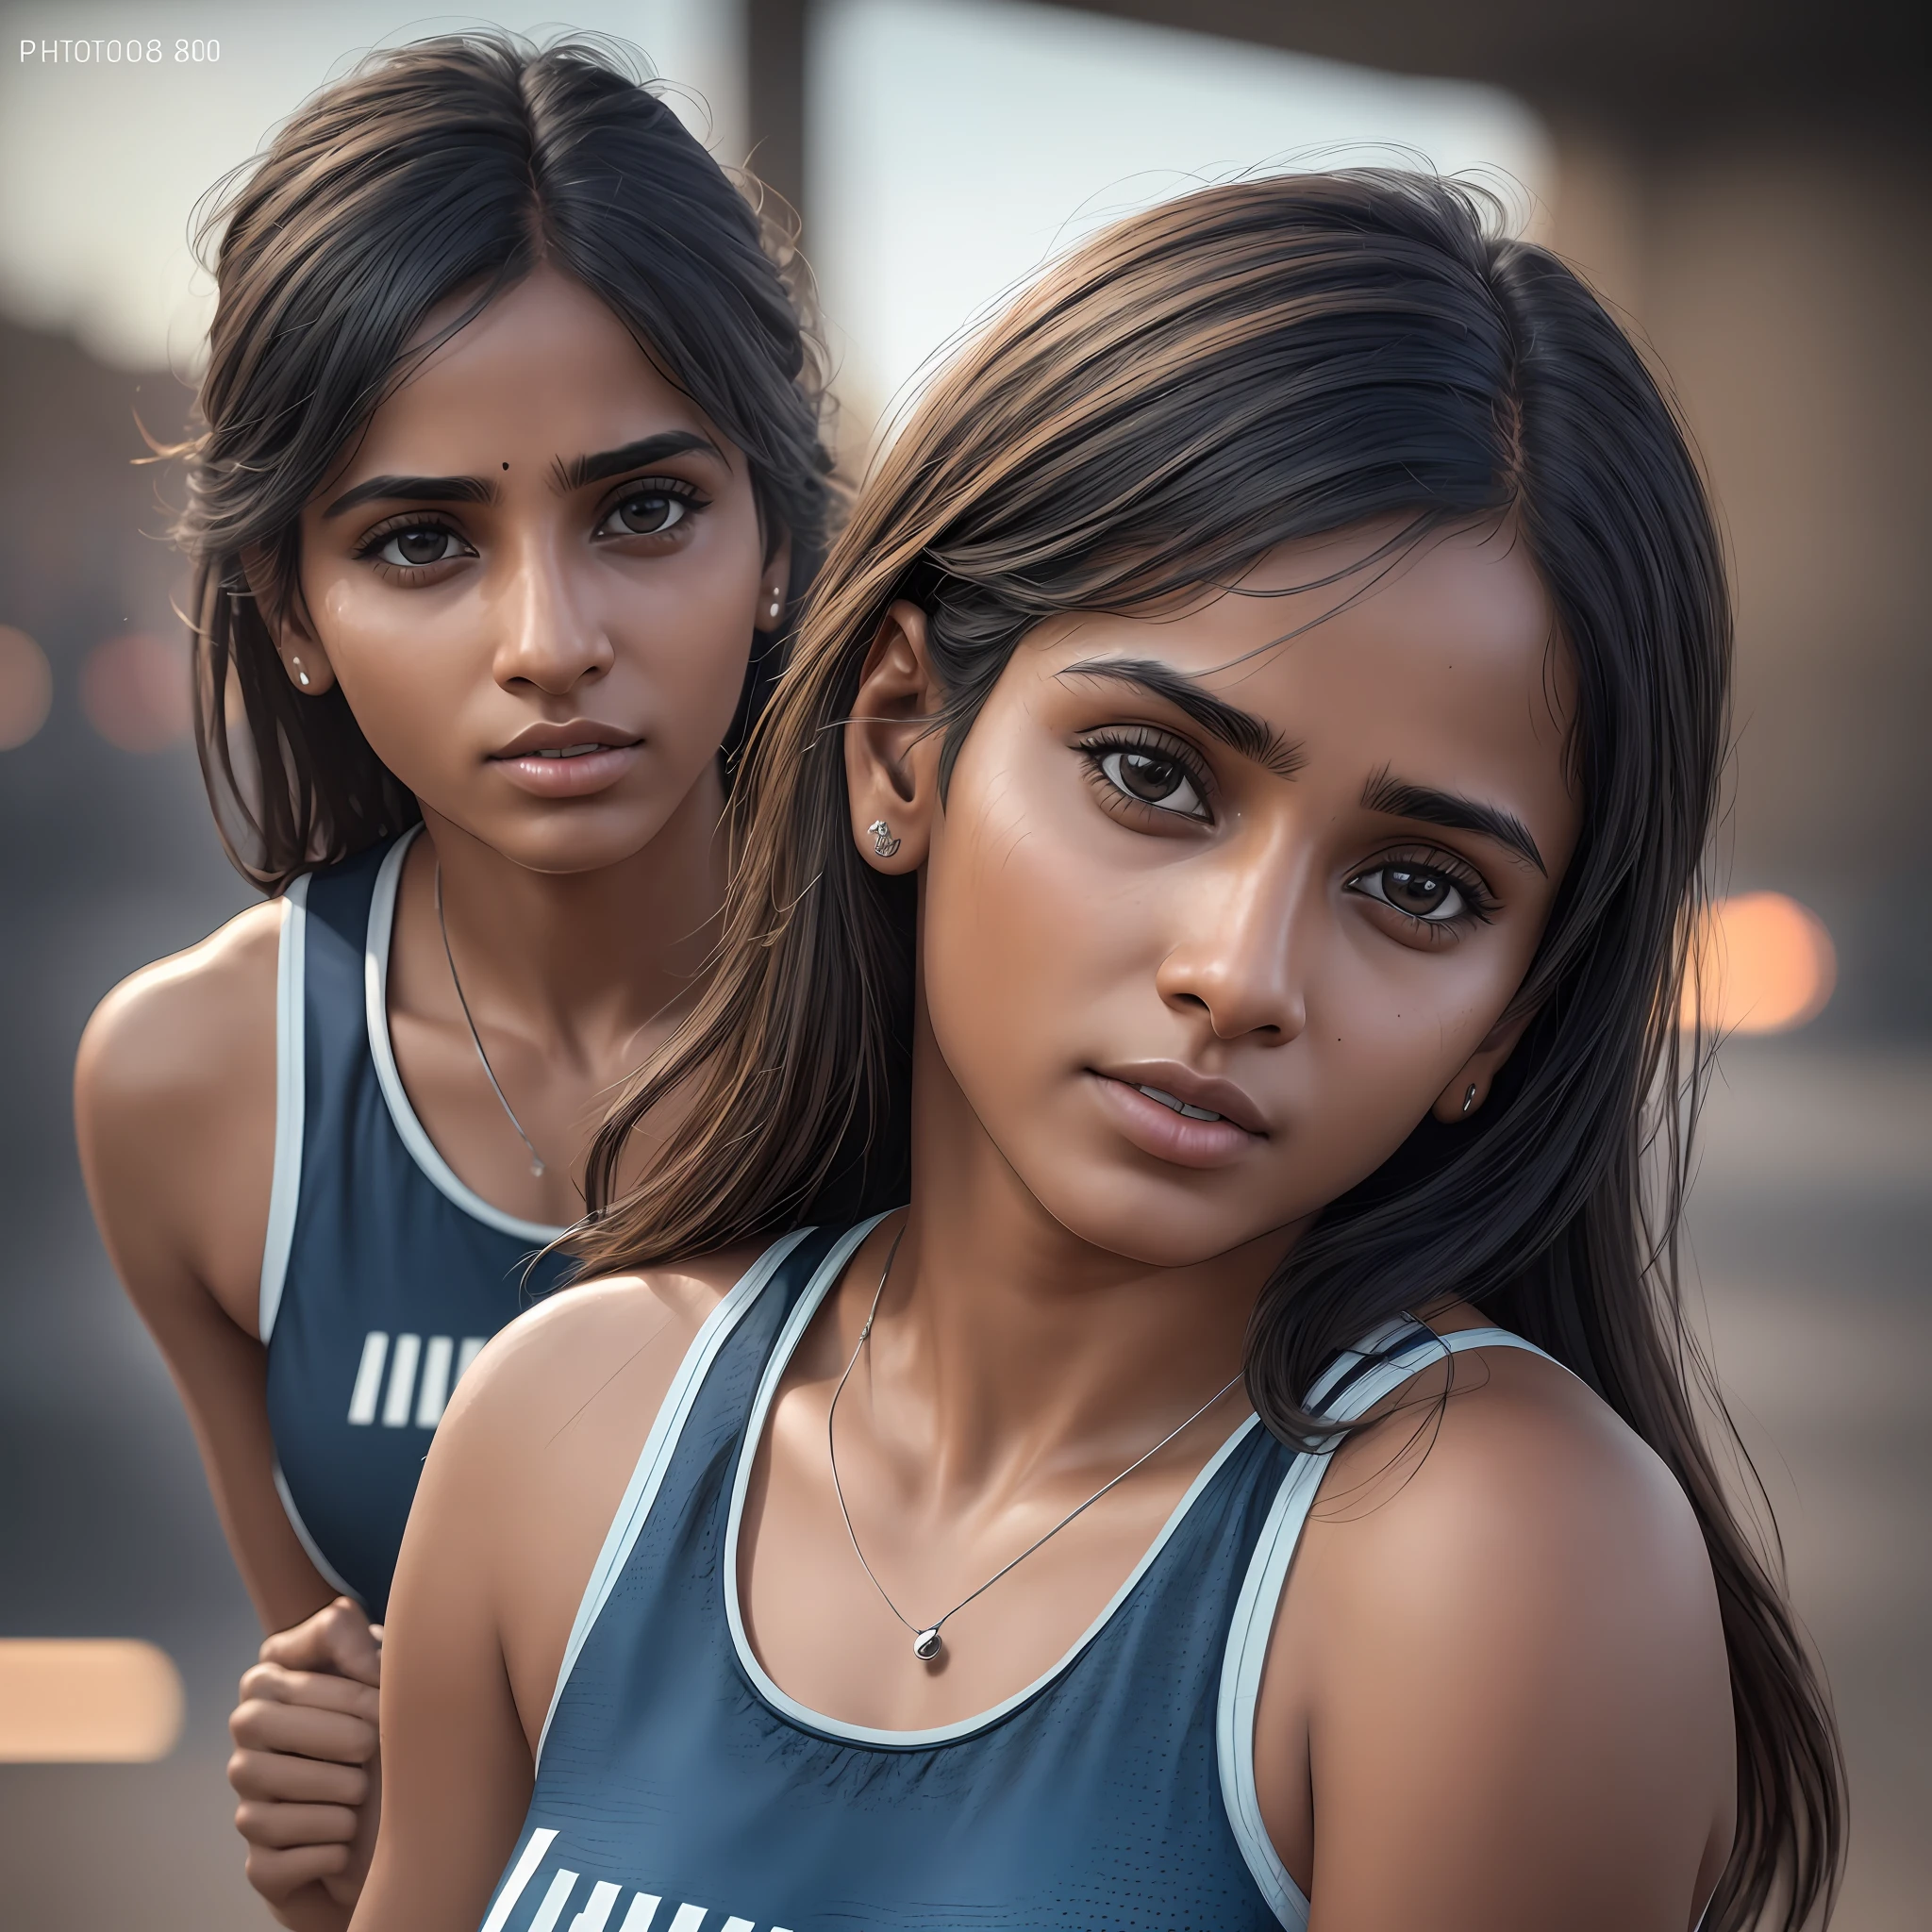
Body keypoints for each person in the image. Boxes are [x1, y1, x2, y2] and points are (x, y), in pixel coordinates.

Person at [352, 174, 1842, 1931]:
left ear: (1510, 1015)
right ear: (904, 743)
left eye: (1419, 888)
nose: (1239, 973)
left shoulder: (1497, 1560)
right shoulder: (568, 1424)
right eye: (1153, 775)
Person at [72, 34, 839, 1932]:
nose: (548, 640)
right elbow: (393, 1826)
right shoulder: (193, 1086)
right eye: (421, 541)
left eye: (642, 510)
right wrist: (329, 1819)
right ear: (291, 613)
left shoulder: (960, 1034)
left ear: (768, 538)